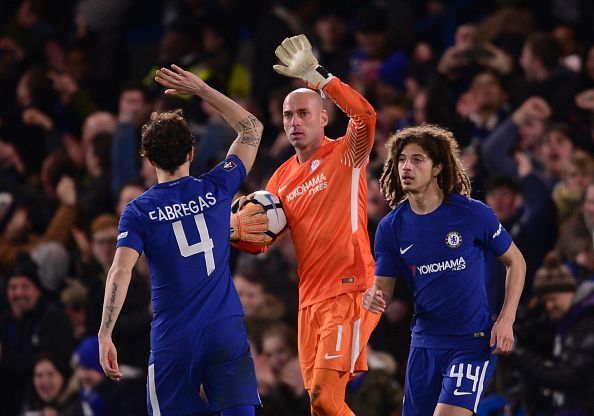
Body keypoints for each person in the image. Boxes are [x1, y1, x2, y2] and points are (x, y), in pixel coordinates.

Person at [97, 64, 264, 416]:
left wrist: (105, 333)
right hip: (225, 327)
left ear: (149, 158)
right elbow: (251, 128)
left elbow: (120, 272)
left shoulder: (138, 212)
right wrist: (202, 89)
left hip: (175, 337)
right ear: (191, 152)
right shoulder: (218, 187)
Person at [232, 34, 378, 416]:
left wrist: (319, 77)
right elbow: (260, 240)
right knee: (320, 409)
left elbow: (365, 117)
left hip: (349, 288)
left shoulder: (347, 154)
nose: (294, 122)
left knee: (324, 398)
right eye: (287, 116)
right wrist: (234, 228)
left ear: (323, 118)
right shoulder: (279, 178)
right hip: (308, 300)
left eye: (304, 114)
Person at [363, 124, 526, 416]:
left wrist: (506, 319)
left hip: (471, 343)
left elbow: (516, 261)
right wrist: (372, 298)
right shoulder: (390, 228)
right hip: (424, 345)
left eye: (417, 159)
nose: (406, 167)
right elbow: (382, 292)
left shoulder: (472, 213)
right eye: (401, 160)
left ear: (438, 167)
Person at [508, 252, 594, 415]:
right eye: (545, 300)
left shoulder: (587, 323)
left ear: (570, 292)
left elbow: (566, 376)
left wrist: (517, 354)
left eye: (553, 299)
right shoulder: (564, 322)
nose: (549, 306)